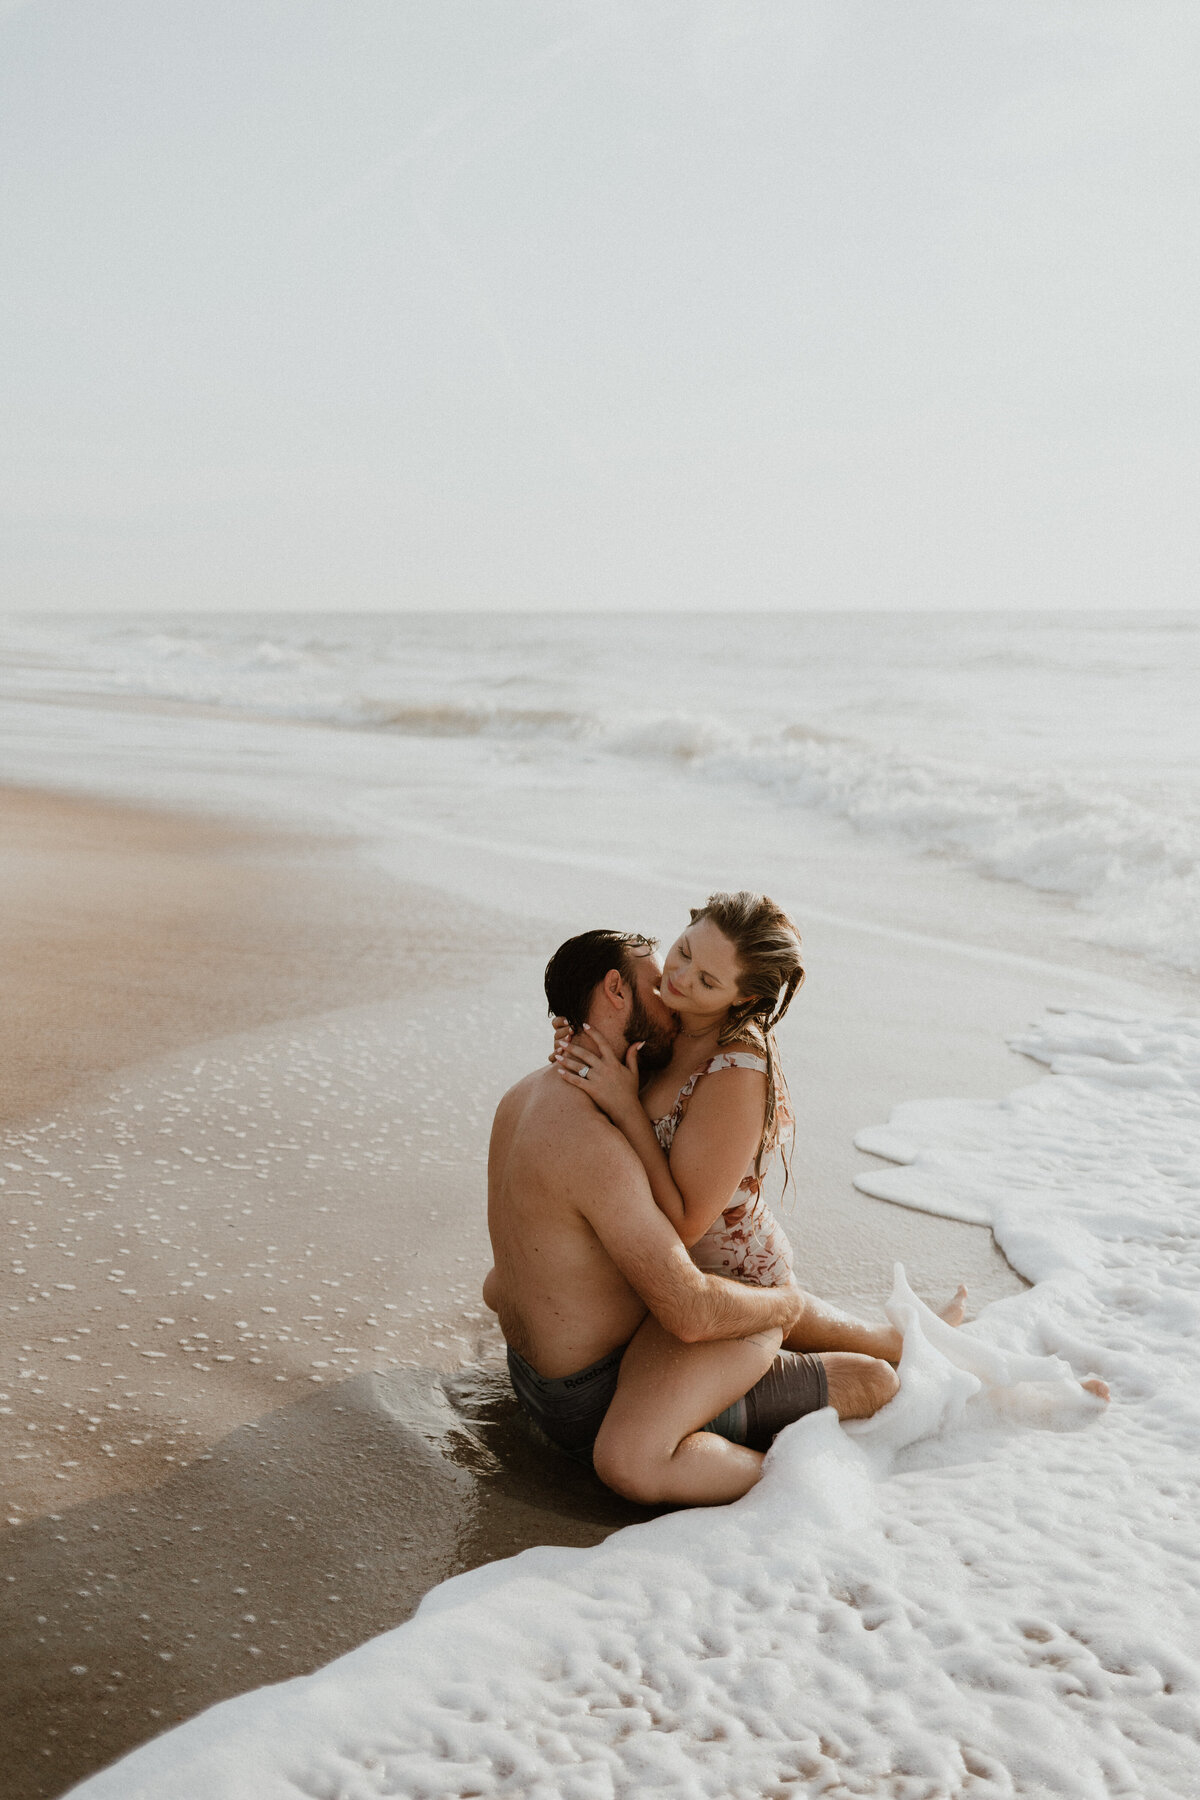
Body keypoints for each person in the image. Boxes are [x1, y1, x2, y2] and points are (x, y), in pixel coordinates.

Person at [484, 923, 906, 1509]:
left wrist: (779, 1306)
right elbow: (687, 1305)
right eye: (660, 982)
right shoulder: (592, 1133)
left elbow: (500, 1286)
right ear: (613, 990)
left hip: (564, 1385)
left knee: (855, 1376)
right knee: (703, 1306)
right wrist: (785, 1306)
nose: (675, 996)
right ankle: (857, 1349)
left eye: (697, 980)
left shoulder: (526, 1094)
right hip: (593, 1392)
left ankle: (874, 1370)